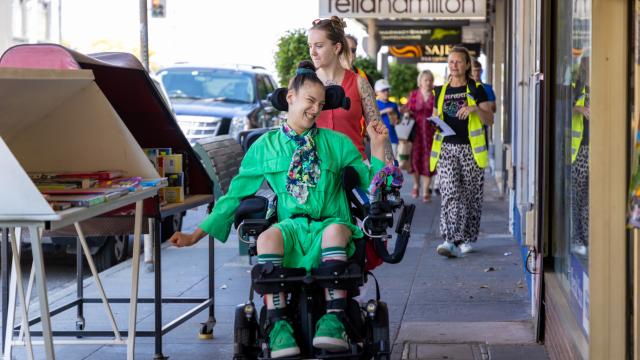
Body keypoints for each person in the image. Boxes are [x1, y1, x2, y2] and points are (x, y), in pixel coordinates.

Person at [168, 61, 390, 358]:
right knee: (266, 238)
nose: (315, 109)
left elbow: (373, 185)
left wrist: (377, 146)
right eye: (310, 101)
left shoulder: (338, 143)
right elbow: (235, 195)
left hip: (331, 225)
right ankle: (279, 324)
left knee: (336, 230)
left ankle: (334, 319)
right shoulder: (265, 146)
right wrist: (196, 234)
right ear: (291, 98)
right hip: (292, 229)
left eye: (321, 104)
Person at [431, 47, 494, 258]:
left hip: (471, 150)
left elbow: (490, 119)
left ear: (467, 65)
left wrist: (476, 108)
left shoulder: (477, 89)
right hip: (447, 147)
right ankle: (451, 240)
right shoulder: (440, 91)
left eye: (458, 61)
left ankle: (468, 238)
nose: (454, 65)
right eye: (451, 61)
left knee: (471, 197)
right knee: (450, 193)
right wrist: (435, 123)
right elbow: (435, 116)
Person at [310, 16, 395, 164]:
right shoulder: (306, 83)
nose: (312, 52)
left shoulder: (359, 82)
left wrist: (389, 168)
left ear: (336, 48)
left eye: (319, 45)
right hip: (317, 172)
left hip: (354, 169)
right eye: (309, 46)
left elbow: (378, 128)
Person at [407, 70, 437, 203]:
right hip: (416, 132)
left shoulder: (436, 96)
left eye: (430, 80)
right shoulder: (413, 95)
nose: (428, 82)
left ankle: (426, 190)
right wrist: (406, 113)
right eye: (425, 80)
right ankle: (416, 184)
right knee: (415, 160)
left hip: (431, 133)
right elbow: (408, 110)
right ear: (420, 82)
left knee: (429, 161)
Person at [570, 55, 590, 257]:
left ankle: (589, 237)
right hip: (579, 150)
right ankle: (576, 239)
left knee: (590, 197)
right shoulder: (576, 87)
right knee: (576, 197)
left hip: (600, 149)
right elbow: (558, 109)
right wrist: (578, 108)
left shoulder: (607, 85)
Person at [374, 79, 400, 157]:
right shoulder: (374, 103)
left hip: (392, 137)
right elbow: (372, 118)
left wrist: (396, 119)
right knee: (379, 164)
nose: (386, 92)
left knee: (391, 164)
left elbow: (398, 121)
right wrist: (385, 111)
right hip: (378, 138)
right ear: (376, 92)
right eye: (383, 90)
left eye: (387, 90)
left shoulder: (393, 104)